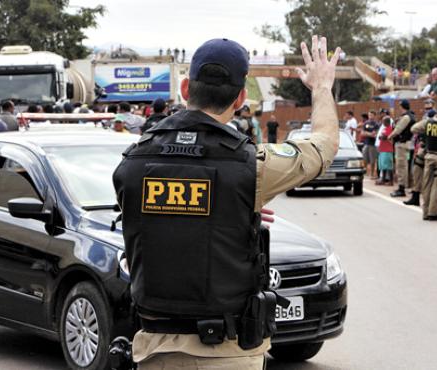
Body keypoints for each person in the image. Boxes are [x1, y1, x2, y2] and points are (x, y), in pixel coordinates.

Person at [112, 35, 340, 370]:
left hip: (154, 352)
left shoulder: (131, 163)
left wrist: (229, 209)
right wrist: (321, 87)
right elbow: (324, 145)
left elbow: (158, 224)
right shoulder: (252, 166)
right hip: (226, 355)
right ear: (241, 99)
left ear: (186, 89)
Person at [403, 99, 436, 206]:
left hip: (431, 151)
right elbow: (416, 130)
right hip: (423, 148)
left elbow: (415, 128)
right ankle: (415, 196)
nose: (427, 109)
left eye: (429, 106)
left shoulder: (434, 119)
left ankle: (428, 202)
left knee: (428, 178)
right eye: (426, 105)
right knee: (417, 173)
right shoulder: (426, 118)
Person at [388, 99, 415, 197]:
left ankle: (401, 188)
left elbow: (398, 130)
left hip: (402, 144)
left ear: (402, 107)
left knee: (401, 167)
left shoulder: (406, 117)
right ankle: (404, 186)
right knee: (404, 166)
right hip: (406, 144)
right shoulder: (409, 116)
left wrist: (389, 136)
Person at [376, 116, 394, 185]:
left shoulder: (390, 129)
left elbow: (384, 137)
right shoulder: (384, 128)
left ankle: (391, 181)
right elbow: (380, 137)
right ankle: (383, 179)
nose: (382, 122)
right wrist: (381, 137)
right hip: (382, 149)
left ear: (387, 122)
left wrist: (382, 137)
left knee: (388, 166)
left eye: (383, 121)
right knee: (382, 166)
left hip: (387, 150)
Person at [362, 110, 378, 179]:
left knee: (372, 160)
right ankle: (364, 172)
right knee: (364, 158)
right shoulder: (366, 123)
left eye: (371, 115)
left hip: (373, 144)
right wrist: (369, 134)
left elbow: (375, 134)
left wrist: (367, 133)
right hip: (366, 143)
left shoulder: (376, 124)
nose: (370, 116)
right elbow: (362, 133)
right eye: (369, 115)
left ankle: (371, 173)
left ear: (374, 116)